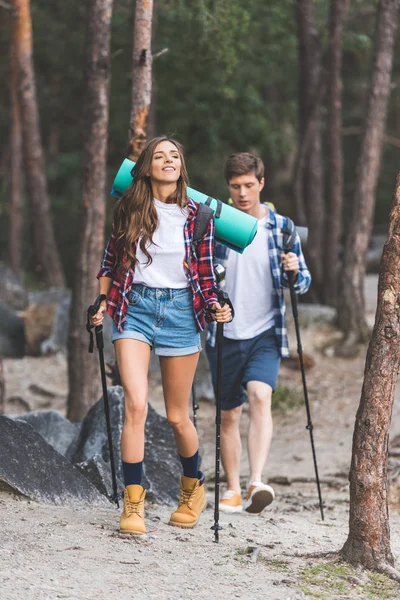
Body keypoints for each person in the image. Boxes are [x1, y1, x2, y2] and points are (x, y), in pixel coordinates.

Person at [91, 136, 232, 535]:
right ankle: (132, 505)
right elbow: (109, 262)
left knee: (176, 416)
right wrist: (100, 303)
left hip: (181, 313)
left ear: (181, 166)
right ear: (147, 167)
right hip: (132, 308)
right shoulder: (129, 209)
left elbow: (205, 274)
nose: (168, 161)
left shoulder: (199, 216)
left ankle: (193, 488)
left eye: (174, 156)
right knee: (135, 405)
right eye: (159, 156)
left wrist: (220, 305)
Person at [206, 152, 311, 514]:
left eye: (249, 185)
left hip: (266, 331)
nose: (242, 193)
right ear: (228, 188)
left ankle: (257, 481)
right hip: (223, 334)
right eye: (235, 187)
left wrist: (295, 269)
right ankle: (233, 489)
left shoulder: (281, 228)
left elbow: (303, 283)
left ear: (261, 184)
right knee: (229, 414)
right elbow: (202, 275)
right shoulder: (217, 225)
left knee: (260, 396)